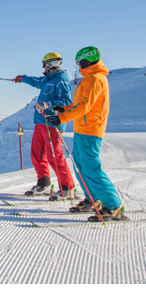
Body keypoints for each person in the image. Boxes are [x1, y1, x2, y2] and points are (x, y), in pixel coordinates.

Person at [45, 46, 125, 221]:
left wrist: (61, 119)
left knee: (90, 167)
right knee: (80, 165)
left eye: (79, 62)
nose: (78, 66)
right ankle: (93, 198)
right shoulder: (89, 79)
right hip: (82, 129)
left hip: (91, 130)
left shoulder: (95, 79)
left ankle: (113, 206)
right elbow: (78, 104)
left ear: (85, 61)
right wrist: (63, 109)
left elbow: (84, 107)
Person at [14, 52, 74, 200]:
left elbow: (66, 102)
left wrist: (48, 104)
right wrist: (22, 78)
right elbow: (36, 81)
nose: (44, 67)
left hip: (53, 123)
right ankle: (44, 184)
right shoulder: (48, 79)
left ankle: (67, 187)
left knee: (55, 155)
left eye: (44, 64)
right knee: (37, 154)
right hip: (41, 122)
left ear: (48, 64)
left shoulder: (61, 80)